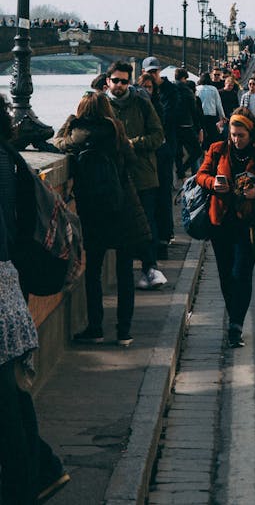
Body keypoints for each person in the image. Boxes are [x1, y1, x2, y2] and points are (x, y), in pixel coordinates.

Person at [0, 95, 70, 504]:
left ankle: (26, 483)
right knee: (9, 393)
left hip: (4, 285)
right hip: (12, 283)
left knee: (6, 400)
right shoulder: (10, 159)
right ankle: (42, 468)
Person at [54, 91, 150, 347]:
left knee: (93, 271)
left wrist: (70, 120)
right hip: (122, 207)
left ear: (82, 110)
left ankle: (95, 328)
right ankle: (124, 332)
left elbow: (57, 142)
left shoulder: (78, 134)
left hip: (94, 211)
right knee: (125, 272)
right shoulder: (117, 130)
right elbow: (131, 162)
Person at [196, 110, 255, 348]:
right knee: (225, 274)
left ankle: (236, 325)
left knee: (241, 273)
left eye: (240, 135)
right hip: (220, 222)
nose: (235, 139)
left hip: (249, 224)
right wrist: (213, 183)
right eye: (232, 134)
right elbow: (200, 175)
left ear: (251, 134)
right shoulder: (217, 149)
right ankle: (235, 316)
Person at [105, 61, 167, 290]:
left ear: (129, 82)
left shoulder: (141, 103)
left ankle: (149, 268)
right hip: (114, 177)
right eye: (115, 81)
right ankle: (130, 272)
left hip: (142, 174)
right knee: (119, 225)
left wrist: (132, 144)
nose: (119, 85)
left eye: (123, 81)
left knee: (145, 223)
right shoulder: (101, 106)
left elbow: (158, 135)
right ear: (107, 82)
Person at [142, 57, 195, 253]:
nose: (152, 76)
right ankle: (151, 238)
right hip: (148, 152)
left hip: (165, 149)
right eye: (149, 72)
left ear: (159, 71)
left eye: (155, 72)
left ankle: (164, 236)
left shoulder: (171, 91)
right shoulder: (141, 92)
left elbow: (169, 118)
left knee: (163, 192)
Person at [197, 72, 227, 147]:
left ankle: (204, 151)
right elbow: (218, 104)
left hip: (201, 115)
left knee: (202, 134)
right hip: (211, 115)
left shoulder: (197, 89)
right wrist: (222, 116)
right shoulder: (214, 89)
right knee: (212, 135)